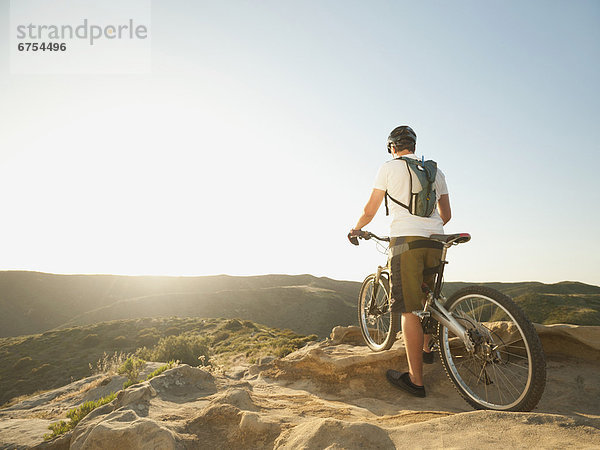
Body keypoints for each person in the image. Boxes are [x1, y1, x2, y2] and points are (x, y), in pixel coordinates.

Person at [349, 125, 451, 398]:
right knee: (429, 299)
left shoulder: (388, 168)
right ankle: (427, 350)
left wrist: (355, 228)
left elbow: (370, 210)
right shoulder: (435, 171)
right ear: (414, 146)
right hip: (436, 240)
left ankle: (416, 381)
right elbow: (446, 214)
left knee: (409, 310)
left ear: (392, 147)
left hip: (406, 242)